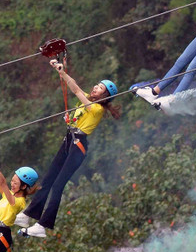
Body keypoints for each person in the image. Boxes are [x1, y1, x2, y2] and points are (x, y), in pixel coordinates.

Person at [15, 61, 120, 238]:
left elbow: (76, 90)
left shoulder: (96, 108)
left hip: (78, 146)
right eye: (97, 85)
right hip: (69, 140)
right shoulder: (87, 103)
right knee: (48, 180)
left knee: (57, 185)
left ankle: (43, 225)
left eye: (100, 88)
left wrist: (63, 73)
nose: (95, 87)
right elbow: (74, 88)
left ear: (105, 95)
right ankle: (28, 215)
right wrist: (62, 73)